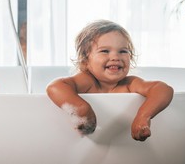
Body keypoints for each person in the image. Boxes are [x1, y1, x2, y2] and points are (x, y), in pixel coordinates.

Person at [46, 20, 174, 141]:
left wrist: (143, 116)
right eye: (105, 51)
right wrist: (81, 108)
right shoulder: (88, 81)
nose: (115, 57)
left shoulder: (129, 84)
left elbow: (163, 89)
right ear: (85, 61)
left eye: (123, 51)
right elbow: (55, 87)